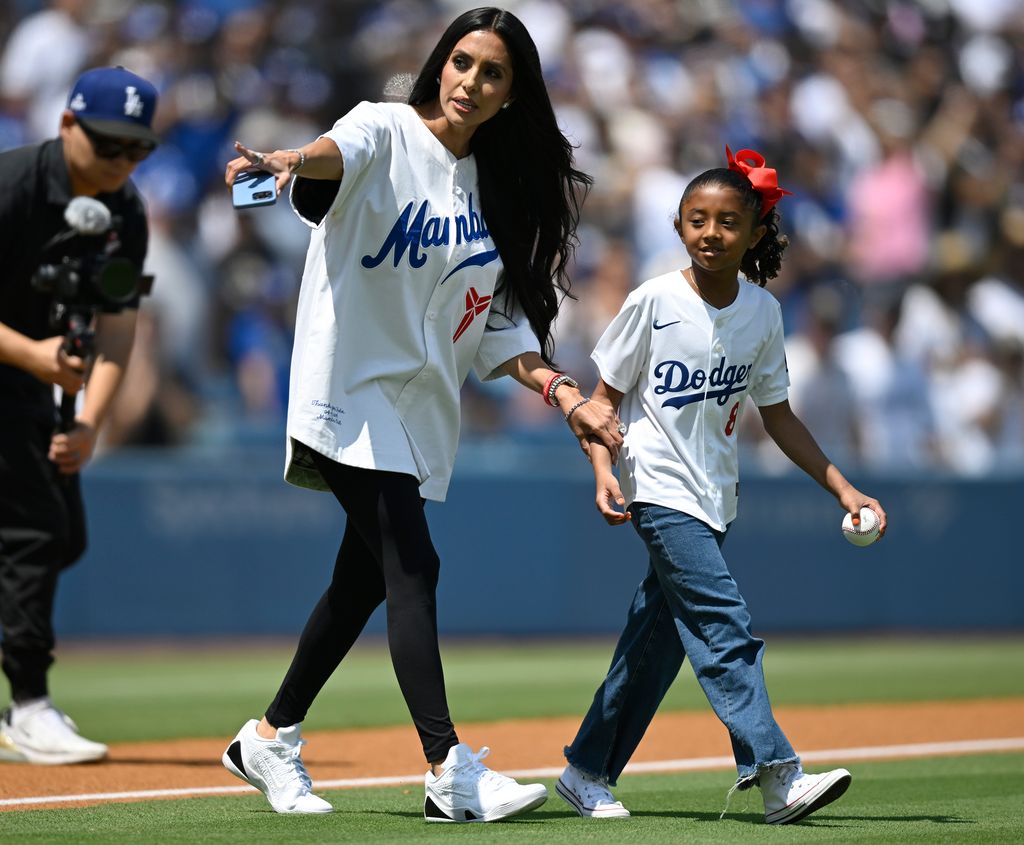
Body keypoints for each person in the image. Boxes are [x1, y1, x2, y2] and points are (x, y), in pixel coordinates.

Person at [220, 7, 622, 821]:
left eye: (494, 72)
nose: (471, 80)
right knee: (414, 566)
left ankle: (268, 735)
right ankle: (447, 769)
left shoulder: (493, 190)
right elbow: (338, 153)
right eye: (463, 61)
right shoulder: (384, 127)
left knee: (361, 579)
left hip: (415, 412)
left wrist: (565, 394)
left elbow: (498, 332)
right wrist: (294, 158)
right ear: (441, 63)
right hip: (345, 390)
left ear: (514, 93)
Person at [555, 147, 887, 824]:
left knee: (653, 646)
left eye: (728, 221)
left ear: (755, 232)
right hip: (656, 485)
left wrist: (843, 488)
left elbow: (780, 417)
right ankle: (775, 774)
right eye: (697, 219)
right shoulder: (654, 299)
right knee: (722, 622)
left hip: (715, 497)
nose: (711, 232)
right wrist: (601, 472)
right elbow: (602, 402)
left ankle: (585, 770)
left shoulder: (763, 314)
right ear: (678, 227)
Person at [0, 66, 159, 764]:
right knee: (33, 529)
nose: (122, 162)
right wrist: (33, 356)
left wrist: (90, 422)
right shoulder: (11, 188)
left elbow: (118, 331)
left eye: (137, 150)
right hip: (20, 365)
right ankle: (29, 705)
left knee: (63, 535)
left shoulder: (124, 211)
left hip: (35, 382)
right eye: (109, 144)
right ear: (67, 124)